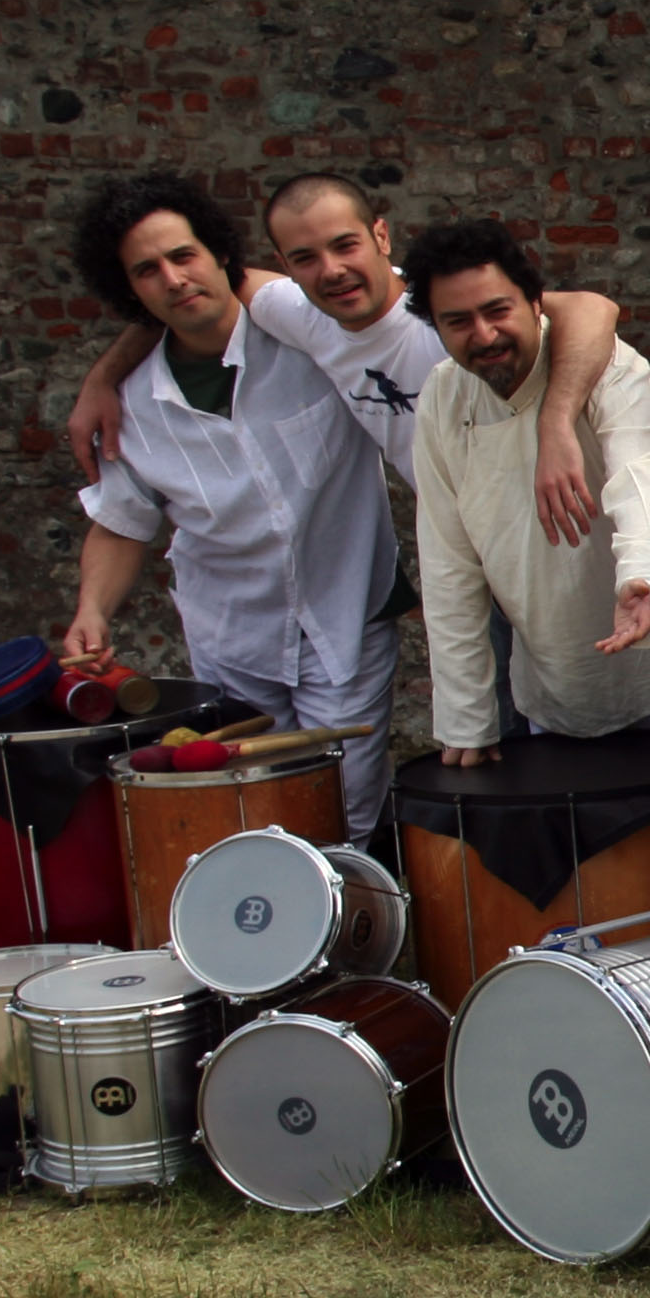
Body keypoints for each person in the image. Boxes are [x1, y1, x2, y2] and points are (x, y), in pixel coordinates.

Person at [51, 176, 404, 839]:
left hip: (346, 617)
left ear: (219, 254)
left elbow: (383, 303)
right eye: (147, 271)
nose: (174, 279)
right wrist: (91, 611)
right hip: (232, 639)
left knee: (346, 812)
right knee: (255, 816)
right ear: (130, 291)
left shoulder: (310, 337)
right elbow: (121, 522)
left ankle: (359, 905)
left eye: (183, 256)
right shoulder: (131, 403)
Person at [65, 169, 624, 533]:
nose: (331, 271)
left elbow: (591, 310)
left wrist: (555, 425)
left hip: (566, 522)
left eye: (345, 245)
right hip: (469, 549)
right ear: (285, 265)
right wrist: (103, 379)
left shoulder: (449, 315)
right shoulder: (297, 313)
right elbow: (192, 293)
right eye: (306, 257)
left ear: (381, 237)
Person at [400, 220, 650, 759]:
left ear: (536, 302)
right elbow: (449, 566)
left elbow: (641, 477)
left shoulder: (610, 365)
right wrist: (467, 722)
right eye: (458, 321)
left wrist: (640, 577)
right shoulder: (444, 399)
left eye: (497, 310)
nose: (484, 335)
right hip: (557, 686)